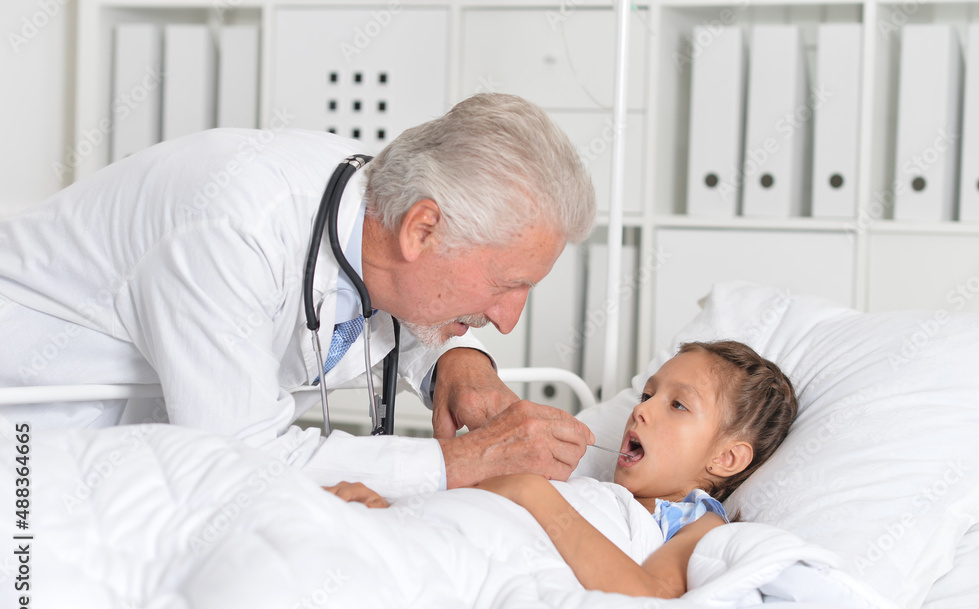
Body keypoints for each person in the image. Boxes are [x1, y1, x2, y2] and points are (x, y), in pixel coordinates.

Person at [0, 93, 597, 497]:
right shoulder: (230, 225)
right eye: (507, 285)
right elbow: (236, 461)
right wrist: (460, 463)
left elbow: (387, 289)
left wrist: (453, 364)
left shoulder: (373, 206)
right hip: (31, 433)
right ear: (423, 229)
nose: (509, 319)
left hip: (128, 455)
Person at [329, 340, 798, 598]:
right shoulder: (593, 492)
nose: (643, 411)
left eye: (677, 405)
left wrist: (536, 495)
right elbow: (481, 509)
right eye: (647, 394)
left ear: (726, 459)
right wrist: (396, 506)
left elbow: (650, 595)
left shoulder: (698, 523)